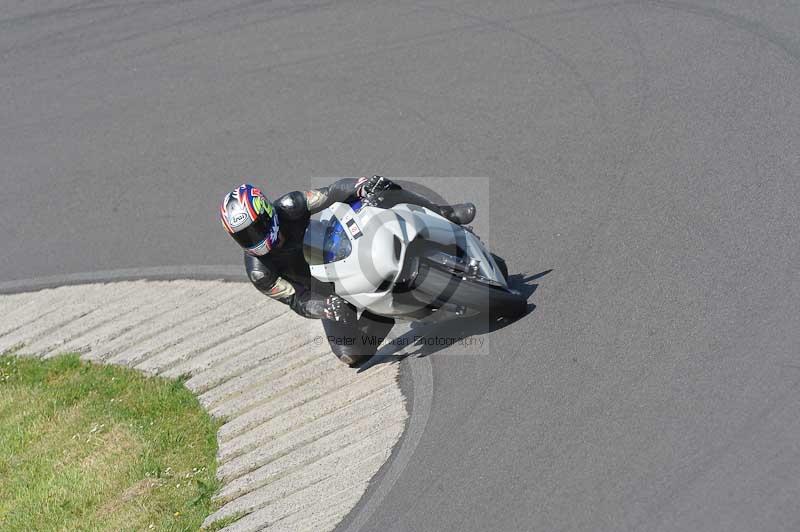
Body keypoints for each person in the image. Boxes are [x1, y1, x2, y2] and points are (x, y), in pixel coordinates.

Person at [220, 176, 476, 366]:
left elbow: (330, 193)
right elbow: (296, 299)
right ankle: (382, 313)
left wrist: (359, 186)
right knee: (350, 355)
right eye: (244, 236)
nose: (253, 239)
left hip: (339, 244)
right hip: (325, 289)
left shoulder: (290, 205)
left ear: (266, 212)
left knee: (379, 190)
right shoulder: (260, 273)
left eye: (254, 229)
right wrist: (324, 307)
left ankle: (444, 214)